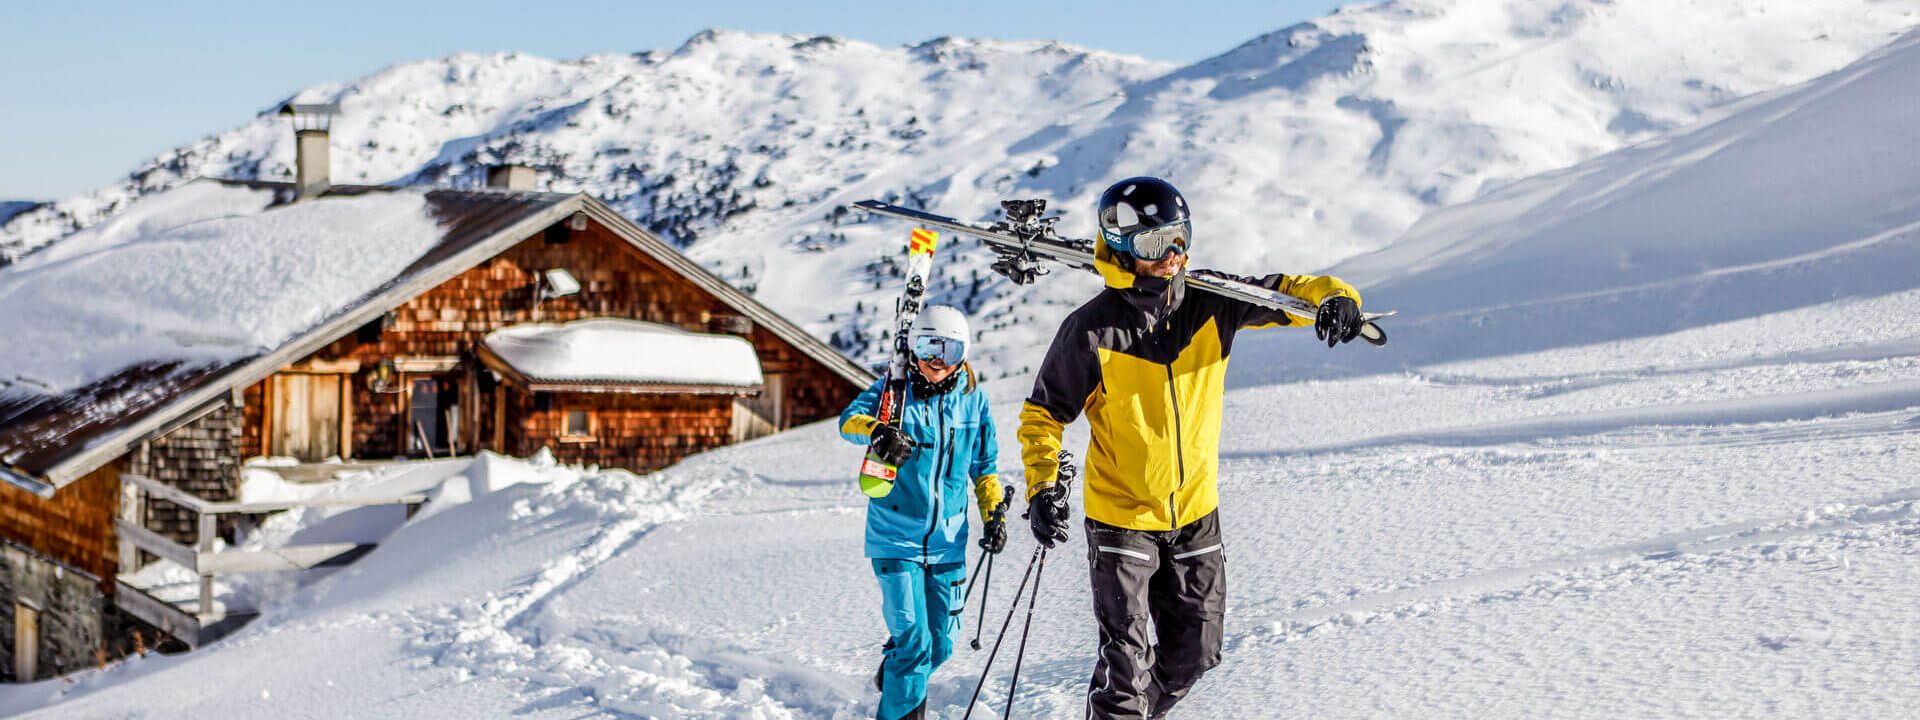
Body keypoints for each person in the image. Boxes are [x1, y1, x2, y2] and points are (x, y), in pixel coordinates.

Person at [1016, 177, 1368, 718]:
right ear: (1123, 246)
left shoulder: (1212, 302)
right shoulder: (1090, 331)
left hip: (1195, 513)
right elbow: (1043, 415)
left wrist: (1336, 297)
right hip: (1122, 518)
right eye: (1157, 243)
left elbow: (1290, 291)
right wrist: (1042, 486)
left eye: (1181, 237)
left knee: (1195, 655)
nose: (1174, 254)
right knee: (1125, 667)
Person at [840, 305, 1008, 720]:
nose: (937, 360)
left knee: (941, 644)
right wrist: (878, 431)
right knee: (915, 644)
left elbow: (984, 467)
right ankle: (901, 700)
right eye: (929, 347)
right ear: (913, 348)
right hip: (895, 538)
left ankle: (896, 670)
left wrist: (993, 514)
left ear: (964, 354)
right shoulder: (893, 394)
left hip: (949, 542)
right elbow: (848, 421)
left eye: (949, 350)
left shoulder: (973, 401)